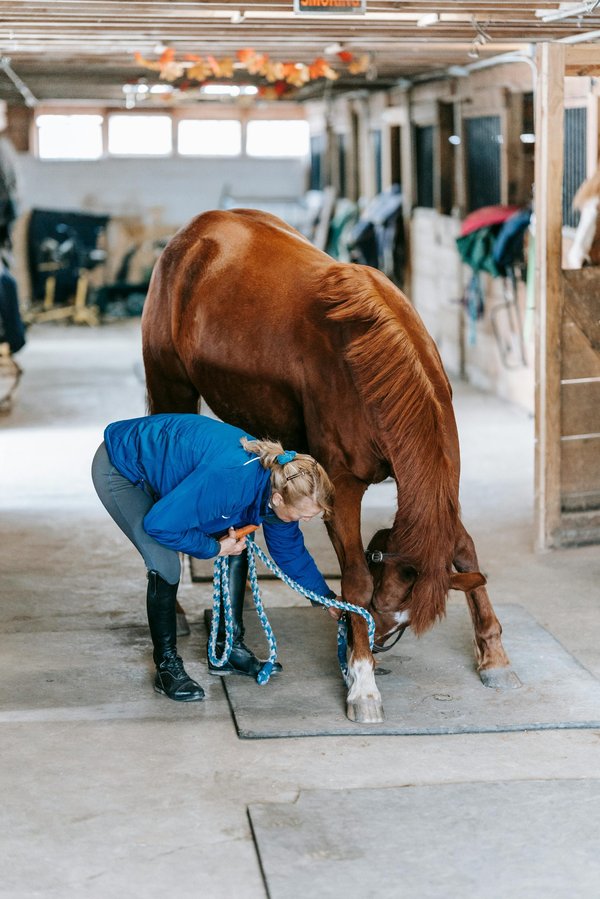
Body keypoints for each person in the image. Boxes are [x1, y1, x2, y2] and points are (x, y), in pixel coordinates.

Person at [91, 413, 338, 702]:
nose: (307, 520)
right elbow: (160, 525)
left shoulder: (279, 484)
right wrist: (214, 549)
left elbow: (290, 551)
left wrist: (324, 598)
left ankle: (229, 648)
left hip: (176, 469)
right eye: (305, 515)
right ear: (278, 500)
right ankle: (167, 667)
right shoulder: (232, 481)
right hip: (122, 468)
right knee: (165, 563)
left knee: (239, 536)